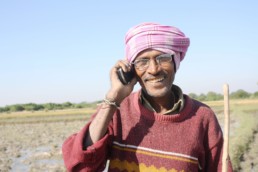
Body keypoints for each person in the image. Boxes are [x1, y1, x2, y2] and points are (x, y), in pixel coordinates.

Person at [62, 22, 233, 172]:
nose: (153, 69)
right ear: (132, 70)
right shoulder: (118, 112)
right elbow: (80, 165)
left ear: (175, 62)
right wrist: (113, 96)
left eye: (163, 58)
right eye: (142, 61)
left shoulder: (202, 117)